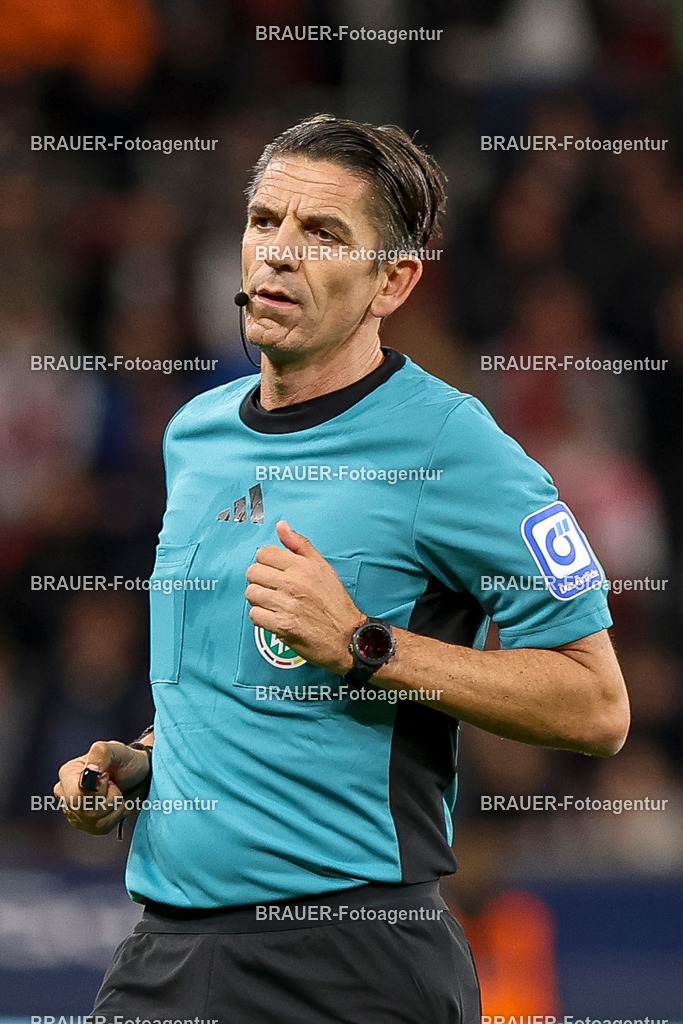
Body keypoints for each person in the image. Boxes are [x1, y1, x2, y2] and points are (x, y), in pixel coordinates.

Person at [55, 114, 630, 1023]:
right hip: (165, 952)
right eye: (263, 221)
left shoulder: (454, 449)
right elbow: (228, 696)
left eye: (322, 233)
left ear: (391, 280)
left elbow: (597, 708)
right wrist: (141, 765)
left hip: (352, 961)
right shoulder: (194, 436)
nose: (277, 254)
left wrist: (365, 645)